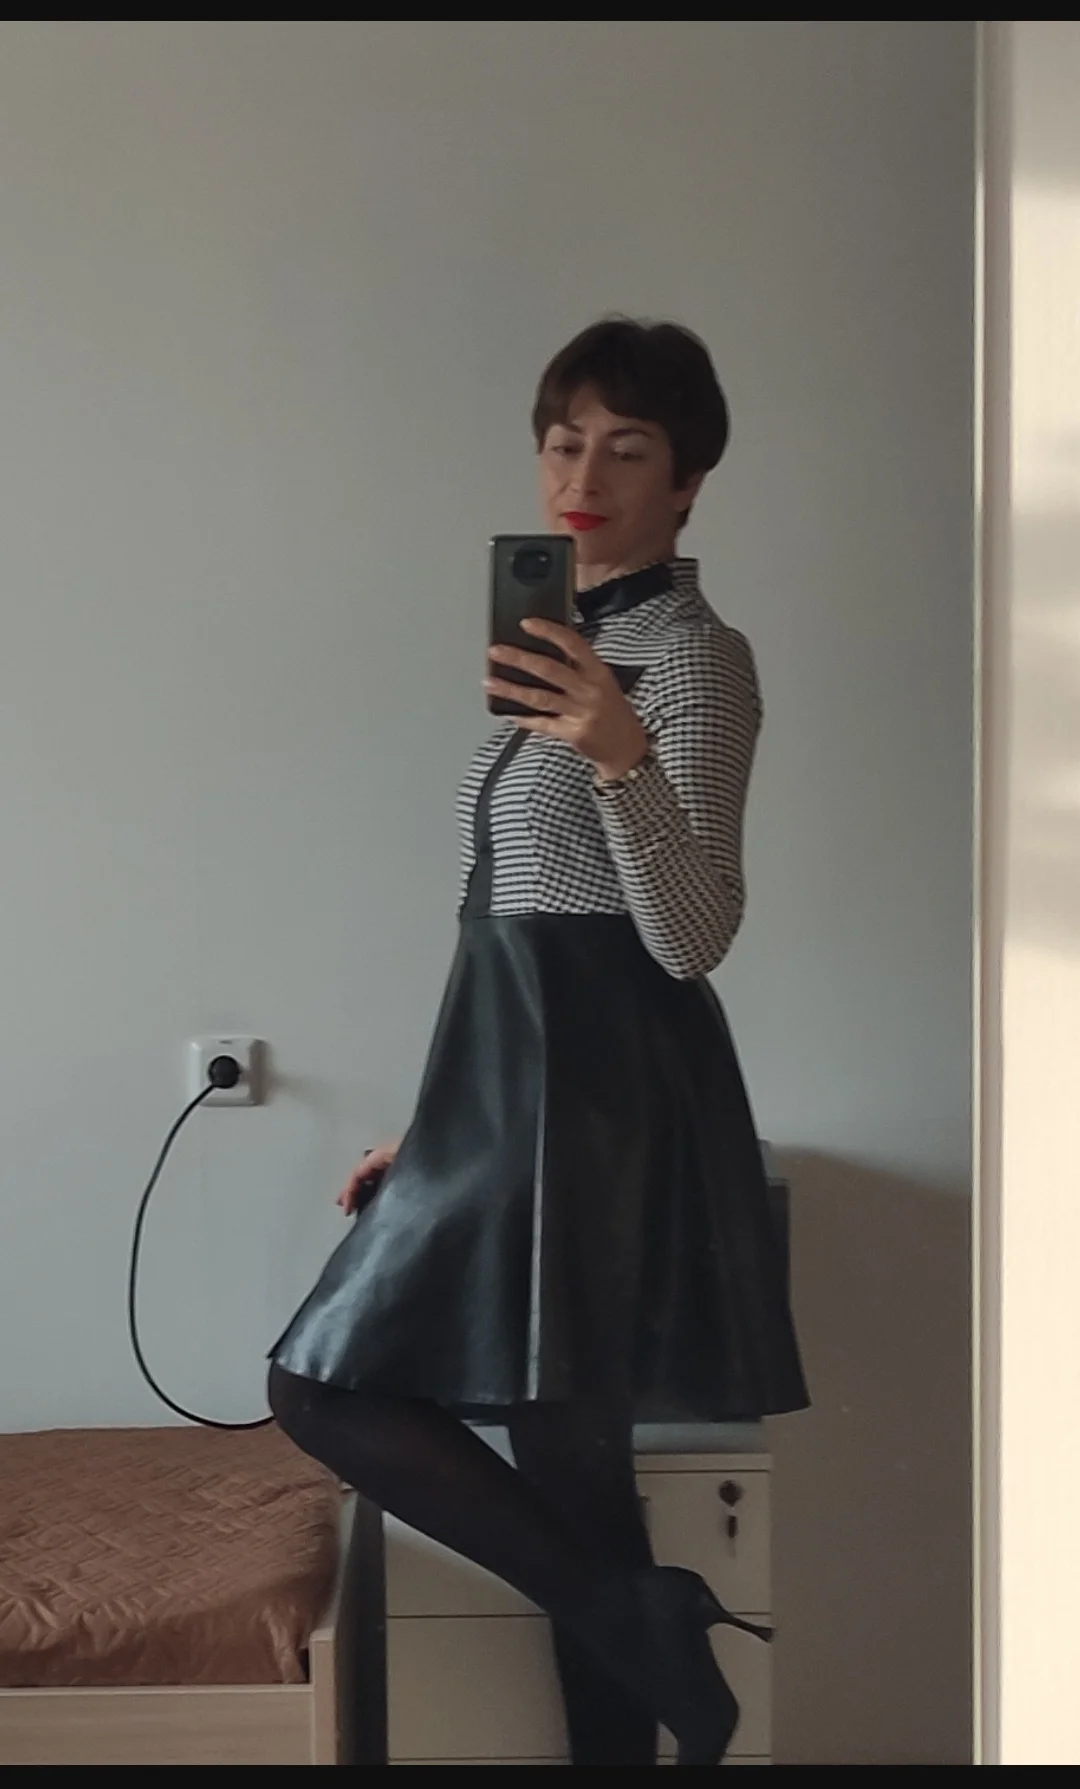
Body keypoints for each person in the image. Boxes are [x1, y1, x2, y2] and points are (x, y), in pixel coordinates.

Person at [268, 317, 809, 1767]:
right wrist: (443, 1126)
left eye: (628, 449)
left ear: (687, 483)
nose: (585, 476)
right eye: (565, 443)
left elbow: (691, 934)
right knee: (570, 1482)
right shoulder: (562, 644)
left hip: (607, 1094)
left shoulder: (695, 660)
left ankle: (633, 1617)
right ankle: (642, 1629)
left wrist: (622, 755)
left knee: (325, 1387)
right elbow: (510, 919)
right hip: (520, 1084)